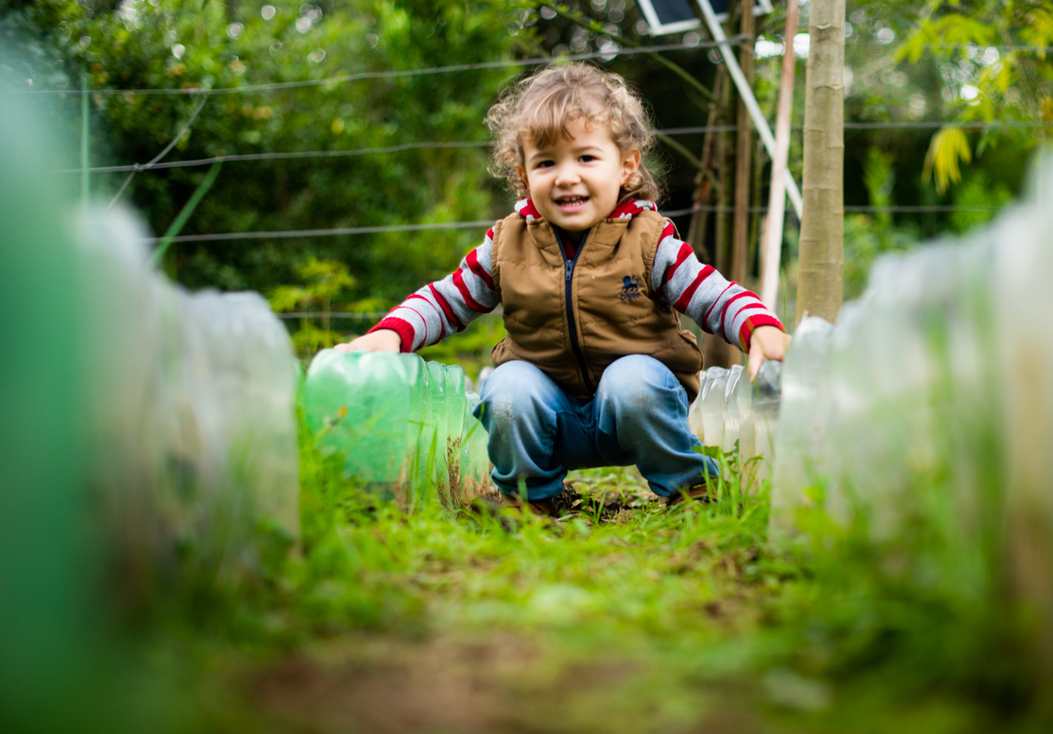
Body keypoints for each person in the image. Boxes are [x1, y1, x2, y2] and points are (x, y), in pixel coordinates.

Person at [336, 63, 787, 514]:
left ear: (626, 165)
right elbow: (447, 298)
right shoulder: (507, 243)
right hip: (548, 416)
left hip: (636, 410)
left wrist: (757, 327)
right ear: (523, 172)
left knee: (632, 379)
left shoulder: (649, 241)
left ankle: (691, 492)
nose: (566, 176)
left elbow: (711, 293)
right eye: (547, 162)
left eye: (586, 158)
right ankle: (528, 501)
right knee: (507, 388)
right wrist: (392, 333)